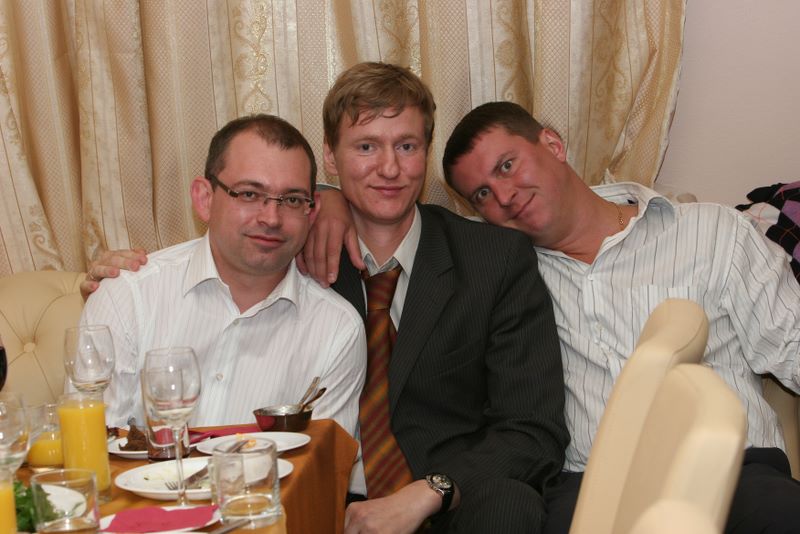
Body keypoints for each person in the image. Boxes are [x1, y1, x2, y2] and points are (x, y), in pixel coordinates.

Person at [83, 64, 569, 533]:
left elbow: (531, 427)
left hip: (447, 498)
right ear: (332, 158)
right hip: (327, 496)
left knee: (511, 504)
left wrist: (431, 491)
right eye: (366, 147)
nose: (389, 168)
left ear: (426, 152)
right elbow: (243, 226)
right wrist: (115, 284)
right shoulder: (285, 247)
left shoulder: (492, 259)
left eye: (407, 146)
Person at [440, 101, 800, 534]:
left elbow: (793, 345)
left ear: (552, 145)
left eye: (507, 166)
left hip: (731, 474)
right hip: (590, 490)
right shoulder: (506, 284)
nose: (503, 196)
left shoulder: (712, 232)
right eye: (481, 194)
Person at [79, 114, 367, 492]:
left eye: (291, 199)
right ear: (204, 199)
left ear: (310, 212)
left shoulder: (336, 329)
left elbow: (316, 482)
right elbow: (91, 459)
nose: (271, 217)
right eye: (249, 194)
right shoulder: (128, 297)